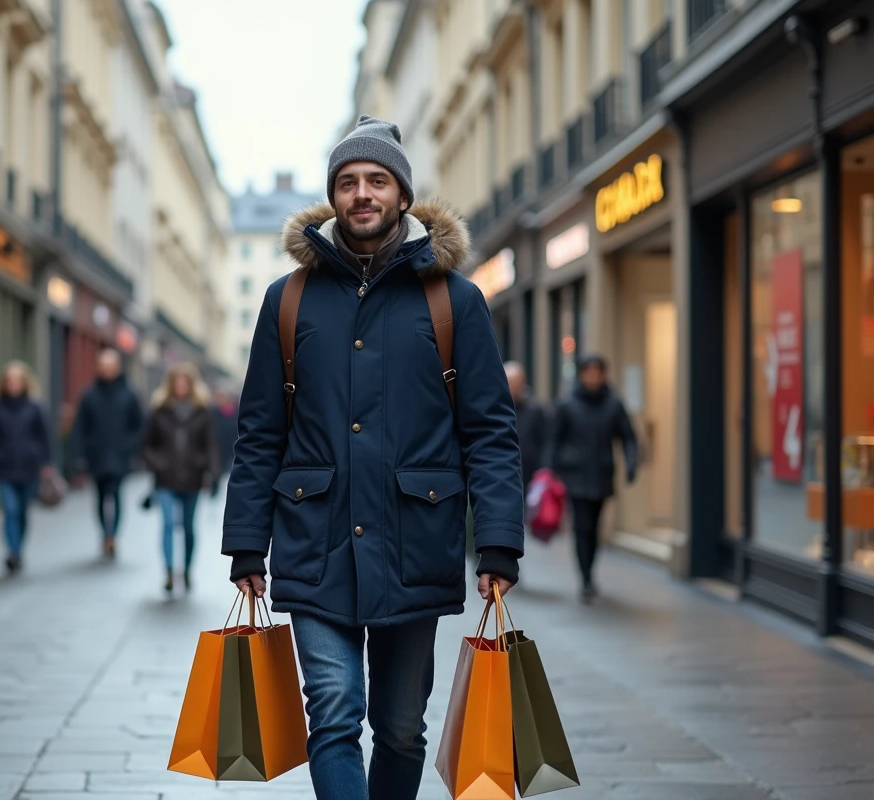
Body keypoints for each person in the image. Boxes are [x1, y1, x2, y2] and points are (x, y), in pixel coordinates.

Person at [223, 115, 524, 799]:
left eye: (377, 180)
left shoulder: (455, 302)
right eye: (349, 181)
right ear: (333, 196)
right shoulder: (287, 301)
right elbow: (260, 433)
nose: (362, 194)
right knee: (332, 716)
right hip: (312, 539)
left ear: (402, 195)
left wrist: (500, 543)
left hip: (416, 542)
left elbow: (490, 433)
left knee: (398, 729)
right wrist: (247, 545)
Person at [545, 354, 638, 603]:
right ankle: (585, 578)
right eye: (589, 372)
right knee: (582, 526)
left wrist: (631, 463)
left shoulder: (613, 404)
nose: (593, 377)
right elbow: (555, 439)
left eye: (598, 372)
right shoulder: (567, 404)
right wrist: (549, 471)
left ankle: (589, 571)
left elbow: (628, 437)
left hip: (601, 474)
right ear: (582, 375)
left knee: (594, 527)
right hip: (575, 476)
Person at [141, 362, 220, 593]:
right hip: (165, 479)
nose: (181, 387)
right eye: (177, 382)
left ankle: (186, 570)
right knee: (166, 524)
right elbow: (146, 445)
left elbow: (211, 445)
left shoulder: (202, 411)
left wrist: (212, 473)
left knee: (188, 526)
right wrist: (158, 463)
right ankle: (168, 571)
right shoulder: (159, 410)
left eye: (185, 383)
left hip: (192, 477)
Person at [0, 362, 56, 575]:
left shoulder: (35, 407)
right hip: (4, 466)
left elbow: (46, 437)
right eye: (10, 380)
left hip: (29, 467)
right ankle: (13, 552)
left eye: (17, 380)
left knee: (22, 512)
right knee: (9, 510)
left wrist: (48, 463)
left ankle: (18, 548)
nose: (13, 384)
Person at [70, 348, 144, 558]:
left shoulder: (129, 394)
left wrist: (131, 447)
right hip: (97, 455)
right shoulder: (89, 395)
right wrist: (79, 454)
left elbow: (139, 425)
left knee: (117, 494)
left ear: (118, 368)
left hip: (120, 456)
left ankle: (112, 536)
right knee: (101, 497)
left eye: (110, 366)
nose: (107, 370)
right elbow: (80, 428)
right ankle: (105, 533)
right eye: (103, 366)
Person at [505, 361, 548, 493]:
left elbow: (545, 440)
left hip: (531, 471)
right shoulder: (497, 410)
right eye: (510, 382)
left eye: (517, 383)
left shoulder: (534, 410)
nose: (514, 387)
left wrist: (543, 468)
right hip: (506, 468)